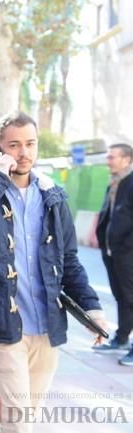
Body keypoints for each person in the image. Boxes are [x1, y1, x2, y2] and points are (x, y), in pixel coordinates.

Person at [0, 111, 106, 433]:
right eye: (14, 145)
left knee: (25, 420)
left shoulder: (53, 197)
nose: (24, 153)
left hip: (46, 326)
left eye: (30, 144)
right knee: (17, 423)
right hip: (2, 326)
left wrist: (92, 308)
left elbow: (69, 259)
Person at [94, 143, 133, 365]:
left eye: (112, 157)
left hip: (127, 252)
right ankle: (121, 338)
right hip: (113, 251)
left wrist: (127, 246)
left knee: (131, 297)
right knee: (121, 296)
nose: (108, 160)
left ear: (126, 159)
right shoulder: (115, 182)